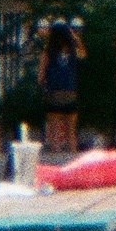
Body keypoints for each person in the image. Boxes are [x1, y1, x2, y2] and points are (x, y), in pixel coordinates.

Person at [37, 18, 85, 154]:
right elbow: (84, 54)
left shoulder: (48, 52)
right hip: (70, 92)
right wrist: (75, 38)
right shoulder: (73, 51)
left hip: (54, 92)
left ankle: (56, 155)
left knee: (54, 130)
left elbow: (41, 76)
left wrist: (42, 85)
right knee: (71, 130)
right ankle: (73, 155)